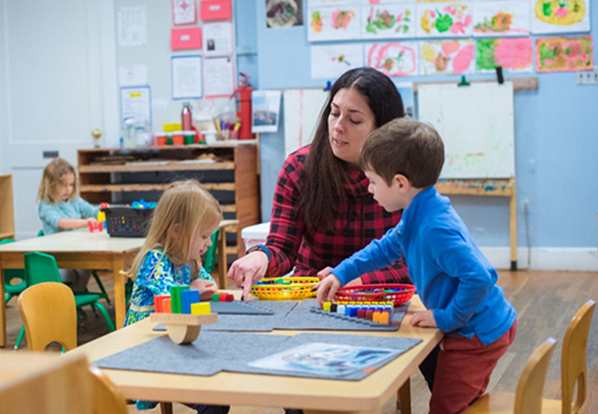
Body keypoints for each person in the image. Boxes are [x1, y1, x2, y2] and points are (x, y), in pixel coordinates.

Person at [316, 118, 517, 414]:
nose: (369, 188)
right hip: (478, 326)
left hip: (477, 332)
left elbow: (480, 278)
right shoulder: (420, 210)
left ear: (400, 183)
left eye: (372, 180)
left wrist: (447, 318)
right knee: (457, 401)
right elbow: (386, 248)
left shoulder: (433, 227)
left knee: (445, 407)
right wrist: (342, 272)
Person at [228, 67, 411, 301]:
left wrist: (353, 278)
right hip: (312, 296)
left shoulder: (404, 175)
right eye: (334, 113)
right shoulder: (299, 168)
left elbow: (414, 264)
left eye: (354, 119)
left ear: (382, 128)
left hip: (381, 297)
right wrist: (260, 256)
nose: (338, 127)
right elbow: (282, 249)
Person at [125, 179, 226, 414]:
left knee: (218, 397)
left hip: (172, 340)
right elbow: (170, 300)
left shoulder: (188, 259)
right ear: (178, 230)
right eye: (203, 236)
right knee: (214, 403)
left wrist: (203, 288)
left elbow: (209, 284)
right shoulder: (155, 259)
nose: (209, 243)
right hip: (145, 348)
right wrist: (194, 290)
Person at [37, 157, 99, 291]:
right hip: (58, 255)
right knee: (70, 271)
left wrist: (107, 209)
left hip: (75, 250)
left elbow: (91, 211)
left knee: (87, 266)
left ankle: (76, 294)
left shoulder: (74, 201)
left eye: (71, 185)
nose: (68, 189)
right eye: (63, 185)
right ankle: (69, 298)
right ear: (51, 185)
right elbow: (60, 222)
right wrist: (84, 222)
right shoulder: (46, 205)